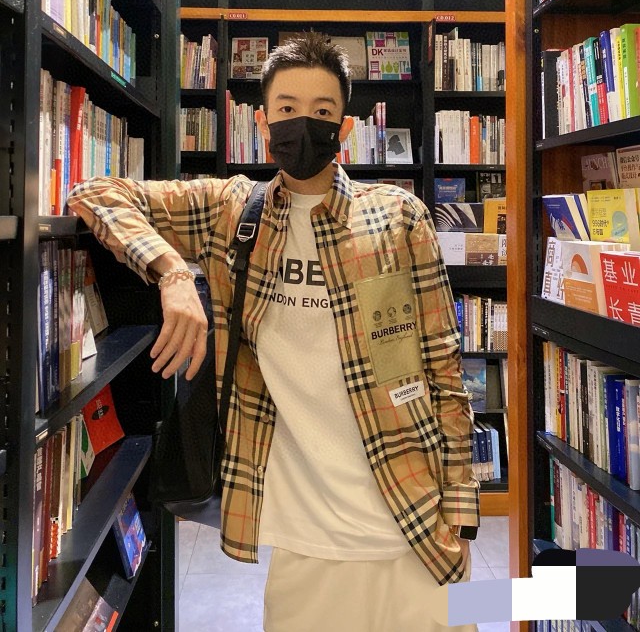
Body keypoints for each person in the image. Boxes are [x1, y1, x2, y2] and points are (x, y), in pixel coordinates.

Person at [67, 32, 480, 632]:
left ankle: (591, 585)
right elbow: (95, 193)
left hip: (413, 527)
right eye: (287, 108)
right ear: (261, 122)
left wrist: (461, 511)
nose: (303, 124)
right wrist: (172, 273)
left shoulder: (398, 216)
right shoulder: (233, 211)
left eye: (322, 111)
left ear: (345, 128)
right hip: (301, 542)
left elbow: (443, 368)